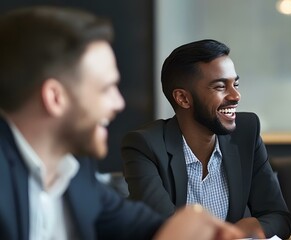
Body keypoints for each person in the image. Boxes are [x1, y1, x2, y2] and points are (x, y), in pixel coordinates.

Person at [0, 6, 243, 240]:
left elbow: (143, 227)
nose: (118, 103)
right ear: (55, 98)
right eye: (106, 89)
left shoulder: (74, 171)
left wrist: (201, 228)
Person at [121, 39, 291, 239]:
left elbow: (279, 218)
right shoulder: (144, 145)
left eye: (235, 84)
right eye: (220, 87)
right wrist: (231, 233)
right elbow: (165, 230)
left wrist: (235, 232)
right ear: (183, 98)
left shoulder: (247, 132)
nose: (236, 95)